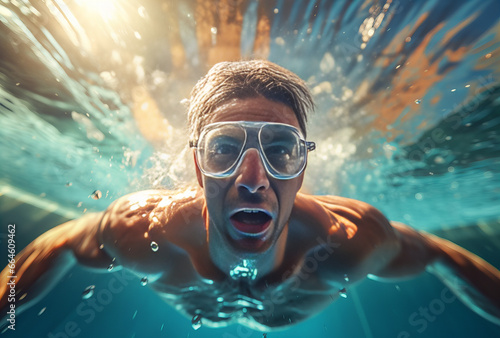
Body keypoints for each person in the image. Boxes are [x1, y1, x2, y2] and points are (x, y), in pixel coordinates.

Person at [1, 60, 499, 331]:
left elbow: (439, 254)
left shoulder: (349, 241)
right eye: (224, 149)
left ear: (302, 171)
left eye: (282, 150)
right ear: (199, 168)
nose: (254, 178)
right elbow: (60, 242)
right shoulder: (143, 231)